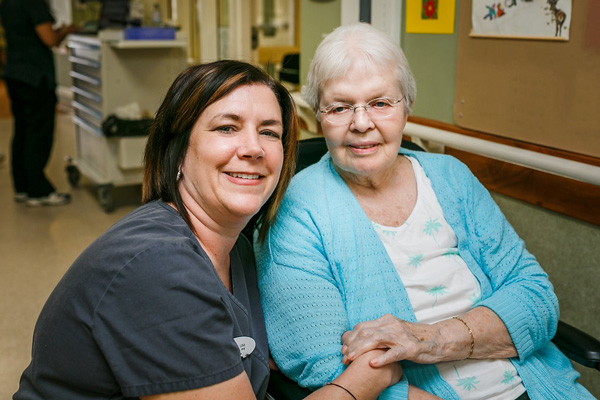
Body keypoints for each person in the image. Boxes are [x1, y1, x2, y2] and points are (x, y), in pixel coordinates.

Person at [13, 60, 401, 400]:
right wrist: (372, 374)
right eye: (227, 128)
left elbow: (245, 355)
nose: (253, 148)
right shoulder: (159, 267)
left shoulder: (240, 249)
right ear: (179, 150)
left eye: (269, 132)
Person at [255, 23, 594, 400]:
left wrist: (427, 340)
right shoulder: (297, 208)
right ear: (318, 115)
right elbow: (320, 364)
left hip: (542, 385)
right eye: (340, 107)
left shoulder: (451, 177)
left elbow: (536, 298)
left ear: (407, 107)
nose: (362, 123)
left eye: (381, 103)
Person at [0, 0, 78, 206]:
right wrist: (66, 31)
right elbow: (49, 38)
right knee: (38, 133)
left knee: (22, 132)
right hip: (35, 77)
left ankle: (23, 188)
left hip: (15, 73)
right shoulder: (33, 3)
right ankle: (38, 190)